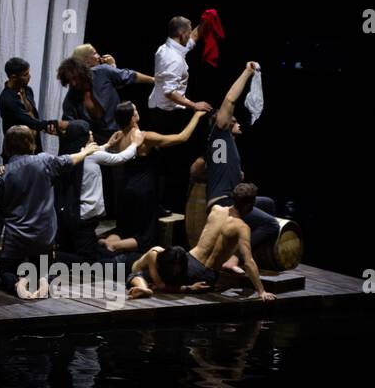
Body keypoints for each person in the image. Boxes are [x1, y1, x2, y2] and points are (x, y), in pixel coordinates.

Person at [0, 126, 99, 298]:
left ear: (7, 146)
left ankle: (18, 284)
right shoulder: (44, 161)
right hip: (43, 236)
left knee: (5, 273)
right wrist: (86, 151)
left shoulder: (1, 174)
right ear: (30, 143)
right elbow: (70, 160)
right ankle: (45, 280)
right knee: (44, 267)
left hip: (16, 238)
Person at [126, 182, 276, 302]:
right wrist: (261, 291)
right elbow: (249, 262)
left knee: (138, 274)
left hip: (187, 260)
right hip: (205, 275)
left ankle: (144, 285)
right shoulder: (242, 227)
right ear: (250, 205)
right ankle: (150, 286)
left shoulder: (215, 210)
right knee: (147, 272)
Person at [189, 61, 280, 250]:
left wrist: (233, 176)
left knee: (268, 204)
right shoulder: (220, 133)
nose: (239, 124)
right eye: (235, 121)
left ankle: (252, 251)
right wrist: (247, 72)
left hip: (230, 198)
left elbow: (210, 167)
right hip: (225, 203)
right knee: (270, 225)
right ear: (224, 123)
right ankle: (233, 256)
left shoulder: (223, 145)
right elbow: (230, 100)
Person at [97, 102, 204, 255]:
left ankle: (107, 242)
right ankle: (115, 246)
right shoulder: (144, 137)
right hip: (143, 190)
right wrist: (197, 116)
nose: (137, 112)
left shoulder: (118, 136)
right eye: (135, 110)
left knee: (124, 228)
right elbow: (182, 137)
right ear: (133, 118)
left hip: (124, 188)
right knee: (146, 238)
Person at [148, 16, 213, 211]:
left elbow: (193, 38)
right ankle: (165, 205)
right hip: (166, 116)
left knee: (167, 161)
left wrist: (207, 21)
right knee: (171, 164)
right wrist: (195, 105)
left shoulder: (168, 47)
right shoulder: (173, 59)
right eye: (189, 30)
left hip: (161, 111)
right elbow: (170, 92)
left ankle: (164, 202)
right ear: (181, 34)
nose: (191, 33)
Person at [54, 120, 138, 262]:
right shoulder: (92, 156)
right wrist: (135, 143)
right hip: (85, 215)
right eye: (88, 132)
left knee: (84, 247)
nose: (91, 133)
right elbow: (120, 158)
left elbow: (93, 153)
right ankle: (55, 257)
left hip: (72, 213)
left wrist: (108, 145)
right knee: (88, 260)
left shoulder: (68, 155)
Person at [56, 56, 154, 144]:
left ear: (82, 72)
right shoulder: (70, 101)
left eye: (75, 78)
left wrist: (154, 80)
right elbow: (69, 127)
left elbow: (131, 76)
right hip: (99, 145)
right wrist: (57, 130)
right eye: (69, 81)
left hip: (123, 132)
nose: (73, 83)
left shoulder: (102, 72)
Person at [0, 57, 63, 139]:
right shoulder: (7, 99)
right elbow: (28, 121)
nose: (29, 76)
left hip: (34, 142)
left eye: (28, 73)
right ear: (13, 77)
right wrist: (53, 124)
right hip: (17, 146)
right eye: (25, 75)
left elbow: (33, 117)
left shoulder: (27, 90)